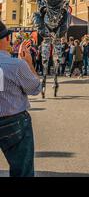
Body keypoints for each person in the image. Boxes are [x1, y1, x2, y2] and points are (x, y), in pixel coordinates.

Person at [0, 21, 41, 177]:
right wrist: (28, 63)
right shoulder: (15, 65)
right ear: (5, 39)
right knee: (22, 171)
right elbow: (35, 89)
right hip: (14, 121)